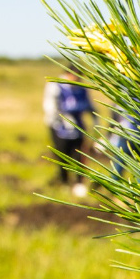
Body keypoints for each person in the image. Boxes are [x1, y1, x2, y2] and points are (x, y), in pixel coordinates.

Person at [43, 68, 95, 198]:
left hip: (78, 127)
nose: (76, 79)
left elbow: (89, 106)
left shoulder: (81, 89)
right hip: (59, 127)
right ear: (68, 74)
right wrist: (57, 121)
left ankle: (79, 183)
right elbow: (50, 107)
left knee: (79, 155)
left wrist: (94, 120)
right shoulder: (56, 86)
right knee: (62, 155)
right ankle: (64, 182)